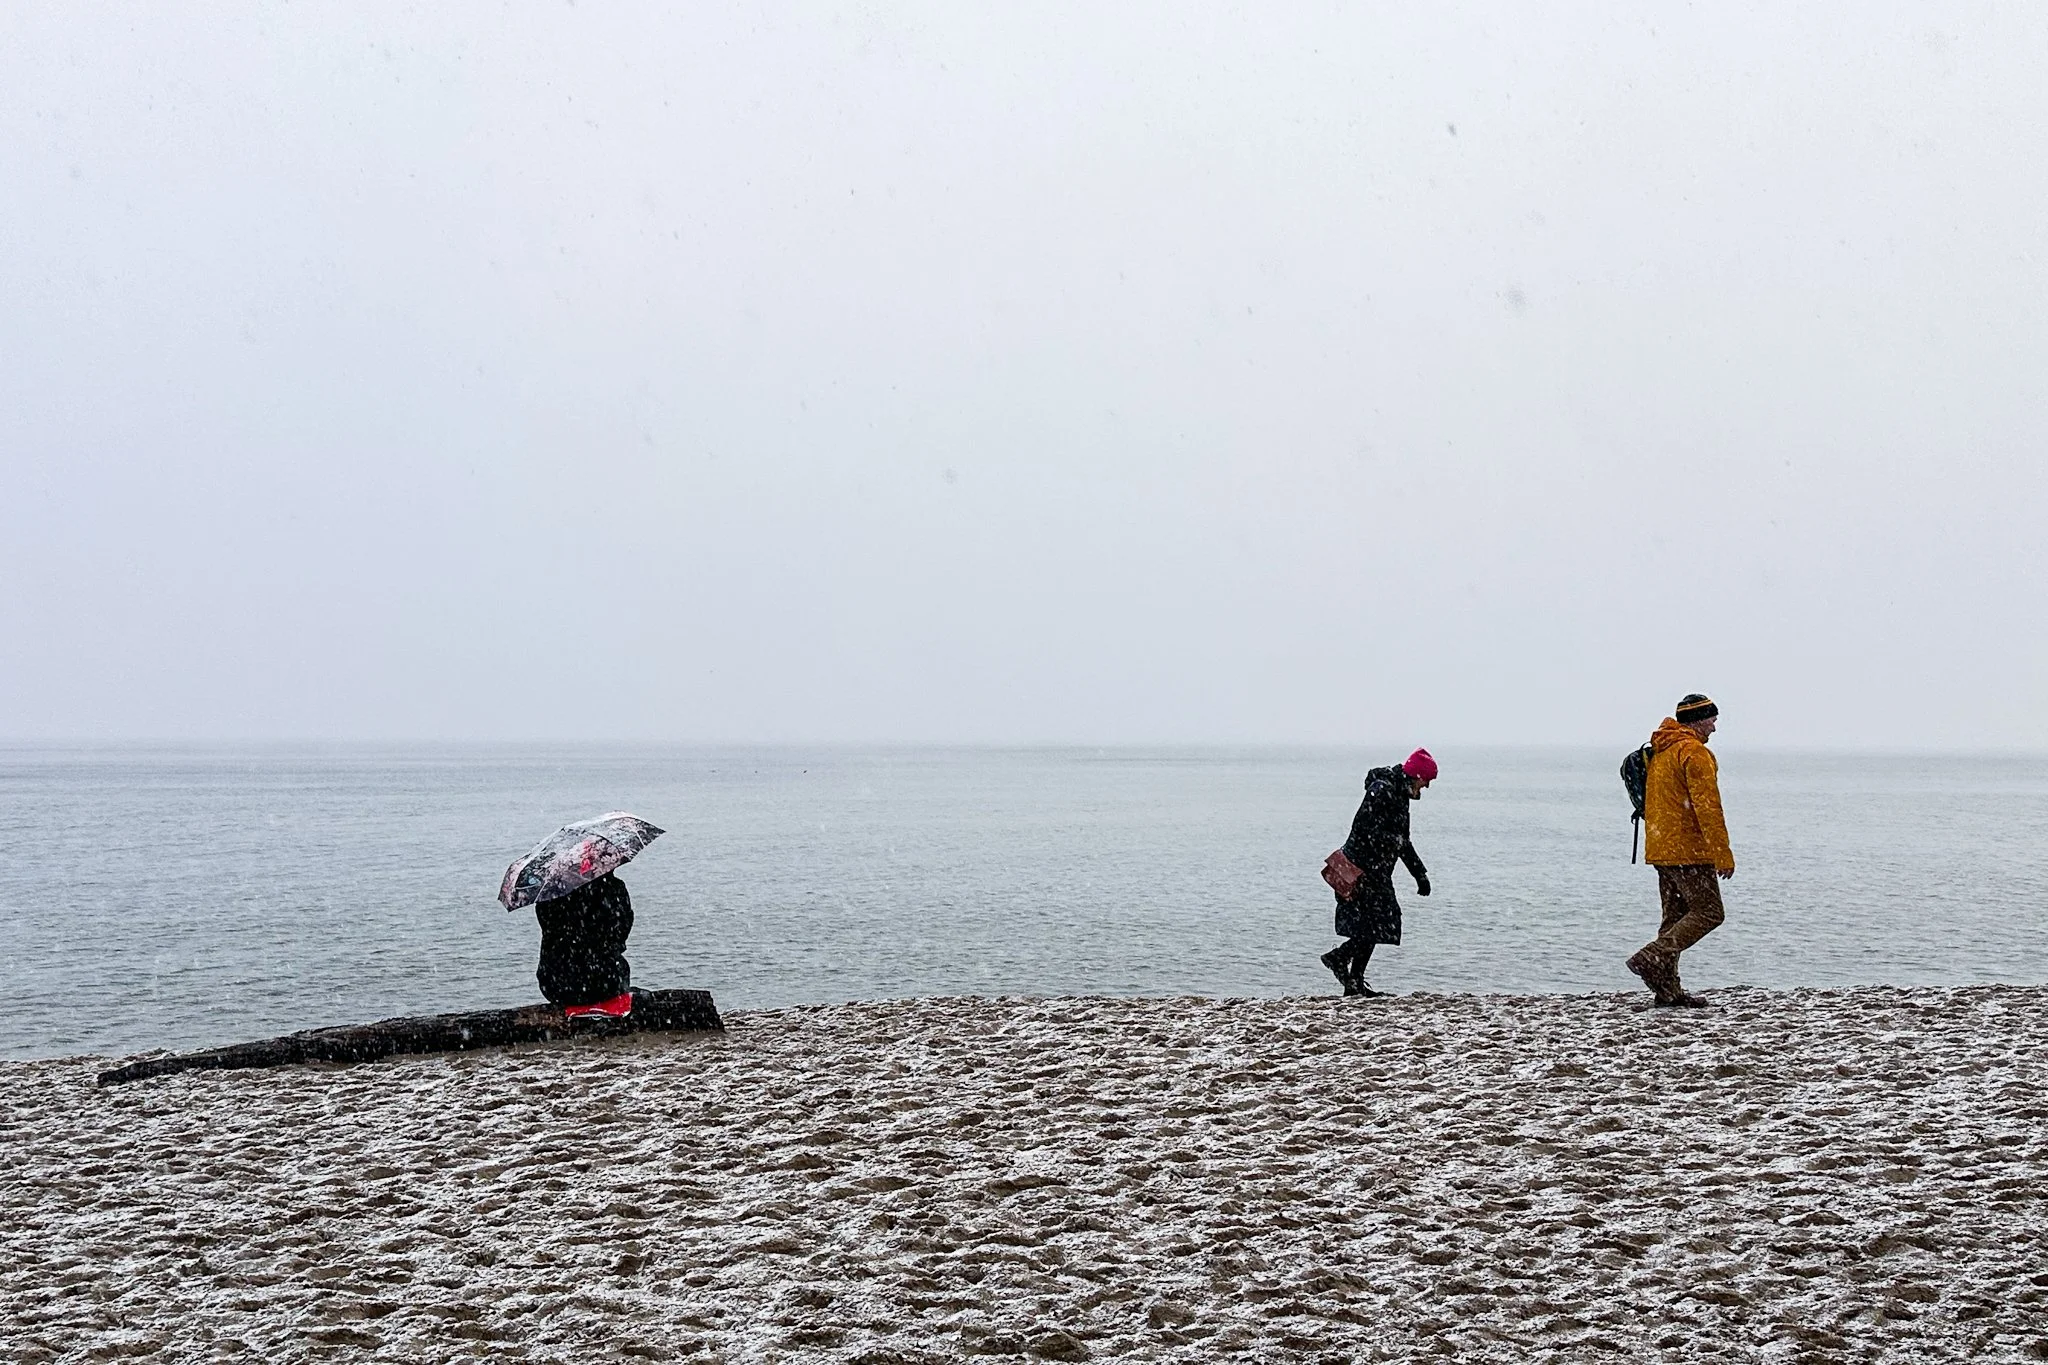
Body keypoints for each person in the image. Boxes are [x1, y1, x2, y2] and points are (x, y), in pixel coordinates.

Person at [1625, 694, 1733, 1008]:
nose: (1714, 727)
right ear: (1698, 720)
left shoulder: (1662, 750)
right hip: (1688, 850)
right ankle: (1652, 956)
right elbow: (1708, 808)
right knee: (1709, 913)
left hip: (1661, 845)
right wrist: (1721, 854)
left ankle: (1668, 992)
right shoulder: (1693, 753)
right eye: (1711, 720)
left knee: (1673, 918)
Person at [1321, 749, 1436, 997]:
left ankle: (1352, 979)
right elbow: (1363, 828)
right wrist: (1391, 840)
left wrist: (1420, 874)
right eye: (1426, 780)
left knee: (1375, 924)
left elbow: (1403, 841)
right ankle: (1341, 961)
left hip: (1376, 871)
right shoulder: (1382, 790)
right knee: (1378, 923)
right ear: (1416, 775)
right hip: (1360, 870)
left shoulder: (1400, 794)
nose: (1426, 786)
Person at [534, 871, 634, 1012]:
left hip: (555, 984)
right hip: (607, 982)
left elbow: (548, 928)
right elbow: (621, 933)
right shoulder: (612, 888)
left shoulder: (548, 893)